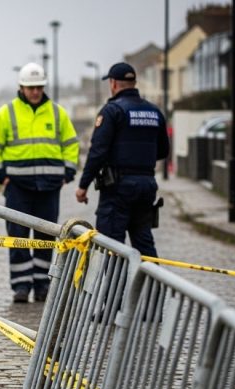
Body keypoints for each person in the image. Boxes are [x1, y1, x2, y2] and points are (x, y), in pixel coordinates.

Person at [0, 62, 79, 303]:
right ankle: (21, 286)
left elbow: (70, 145)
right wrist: (0, 176)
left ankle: (41, 284)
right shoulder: (6, 113)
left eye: (38, 87)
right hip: (17, 187)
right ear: (21, 87)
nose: (35, 91)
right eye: (30, 87)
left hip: (49, 187)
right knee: (18, 236)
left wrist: (67, 172)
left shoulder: (57, 113)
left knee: (46, 238)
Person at [76, 62, 169, 258]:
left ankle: (113, 289)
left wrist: (83, 185)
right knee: (144, 242)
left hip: (118, 188)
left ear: (113, 84)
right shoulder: (154, 112)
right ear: (134, 83)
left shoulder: (112, 111)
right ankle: (150, 288)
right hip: (147, 185)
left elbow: (97, 152)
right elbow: (163, 151)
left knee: (111, 247)